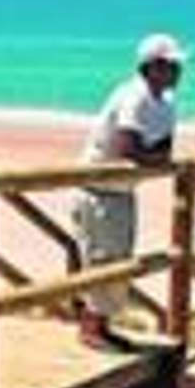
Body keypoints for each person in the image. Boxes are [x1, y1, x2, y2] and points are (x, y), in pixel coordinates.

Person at [72, 33, 185, 350]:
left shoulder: (165, 104)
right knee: (101, 260)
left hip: (122, 190)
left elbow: (162, 151)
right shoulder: (133, 96)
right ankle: (90, 330)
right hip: (98, 189)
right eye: (171, 64)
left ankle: (101, 328)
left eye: (177, 65)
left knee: (118, 261)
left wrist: (150, 156)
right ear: (151, 67)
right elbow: (127, 149)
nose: (178, 71)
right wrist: (151, 157)